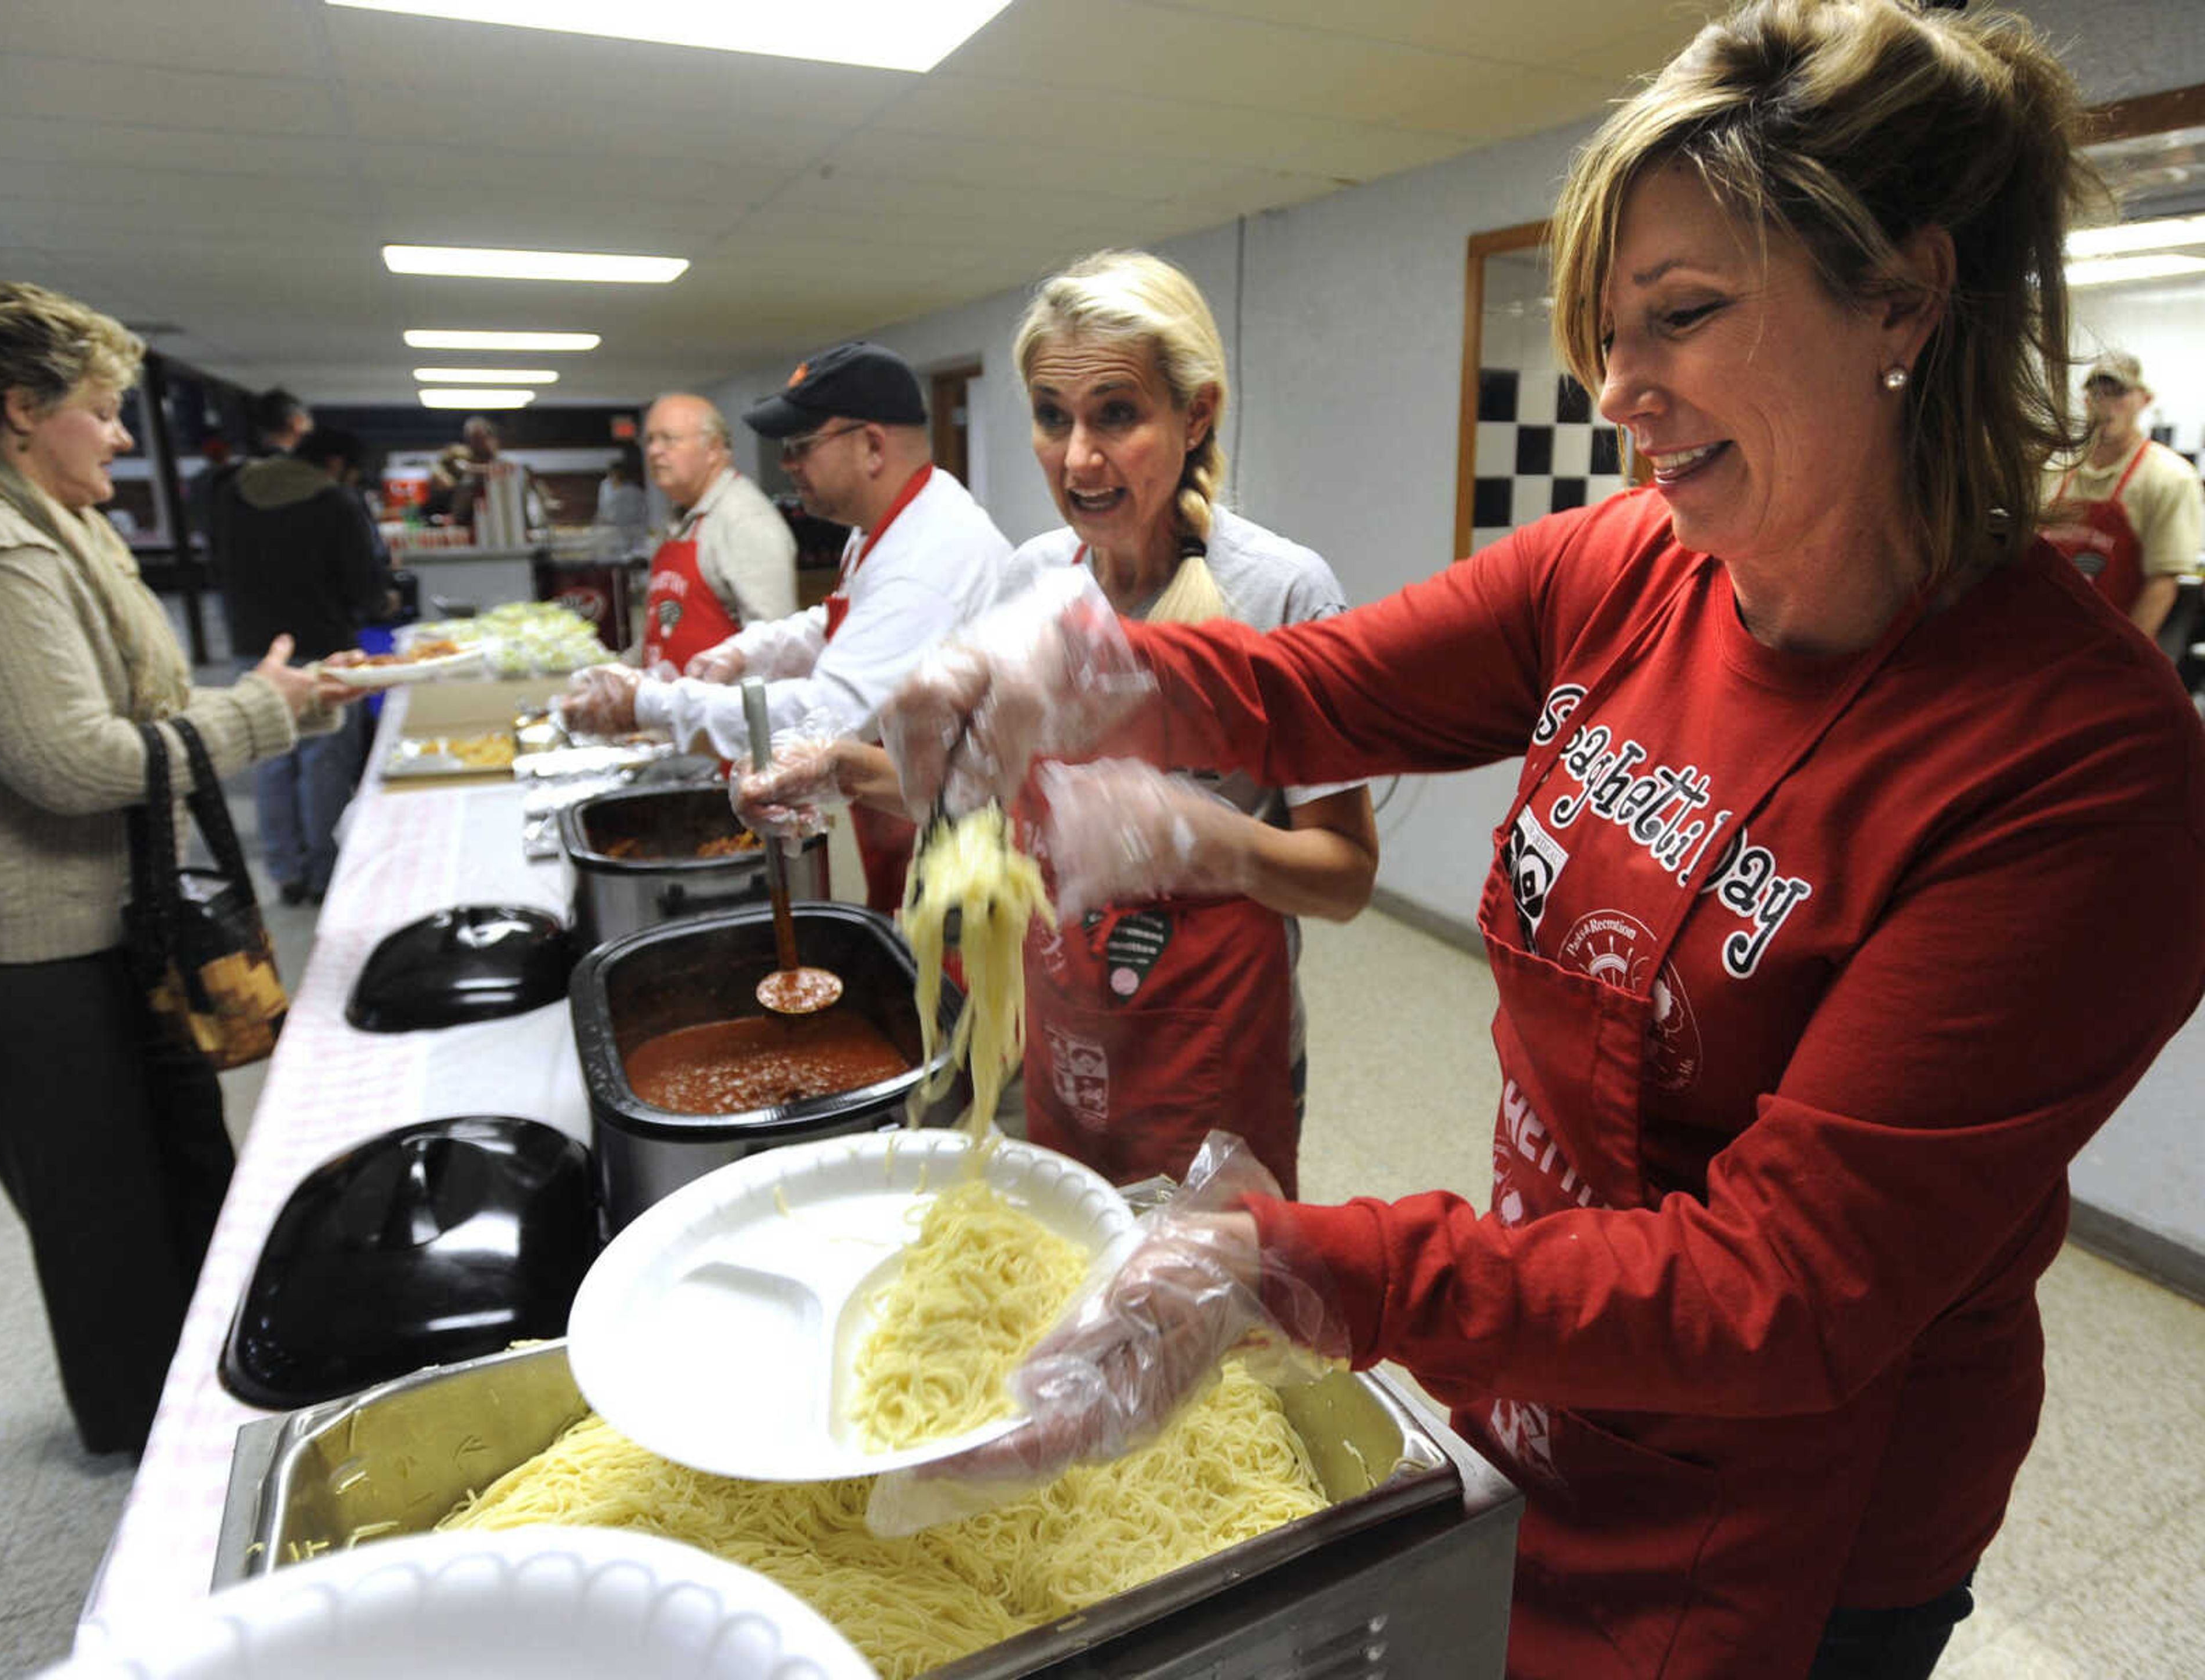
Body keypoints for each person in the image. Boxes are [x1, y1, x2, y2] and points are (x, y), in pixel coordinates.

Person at [876, 4, 2205, 1675]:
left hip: (1804, 1497)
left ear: (1905, 297)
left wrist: (1291, 1267)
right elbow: (1316, 687)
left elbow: (1786, 1288)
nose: (1618, 387)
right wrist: (1075, 670)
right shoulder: (1629, 565)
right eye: (1604, 326)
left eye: (1684, 317)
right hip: (1541, 1351)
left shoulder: (2075, 761)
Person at [734, 253, 1378, 1194]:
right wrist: (838, 770)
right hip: (1065, 1031)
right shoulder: (1034, 577)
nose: (1078, 458)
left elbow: (1347, 875)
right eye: (1051, 416)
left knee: (1211, 1323)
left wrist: (1203, 840)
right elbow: (973, 804)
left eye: (1117, 414)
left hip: (1219, 1049)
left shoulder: (1281, 591)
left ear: (1195, 414)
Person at [0, 280, 359, 1457]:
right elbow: (67, 759)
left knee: (186, 1158)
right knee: (101, 1204)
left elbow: (152, 702)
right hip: (38, 946)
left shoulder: (67, 523)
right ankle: (146, 1431)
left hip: (128, 915)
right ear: (22, 408)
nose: (127, 438)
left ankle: (205, 1388)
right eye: (104, 410)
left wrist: (282, 702)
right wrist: (254, 718)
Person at [561, 341, 1009, 913]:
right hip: (907, 811)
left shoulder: (931, 557)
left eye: (802, 446)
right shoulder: (883, 525)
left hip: (963, 843)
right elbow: (836, 619)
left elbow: (826, 716)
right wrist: (751, 649)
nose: (788, 463)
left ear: (873, 445)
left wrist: (647, 704)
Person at [213, 424, 394, 904]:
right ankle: (325, 874)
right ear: (336, 463)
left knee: (272, 757)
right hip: (323, 643)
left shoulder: (234, 494)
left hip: (257, 646)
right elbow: (364, 584)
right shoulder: (334, 501)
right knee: (325, 762)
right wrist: (382, 603)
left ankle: (285, 872)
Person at [2040, 351, 2203, 639]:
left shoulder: (2169, 478)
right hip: (2046, 638)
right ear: (2087, 401)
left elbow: (2162, 584)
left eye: (2119, 394)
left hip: (2112, 647)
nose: (2107, 406)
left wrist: (2124, 659)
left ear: (2145, 400)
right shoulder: (2054, 471)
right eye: (2099, 394)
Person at [638, 392, 797, 673]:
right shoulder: (683, 515)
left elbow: (775, 651)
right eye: (650, 440)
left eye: (668, 439)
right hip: (673, 708)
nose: (654, 451)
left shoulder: (746, 521)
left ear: (712, 449)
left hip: (720, 712)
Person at [595, 440, 648, 539]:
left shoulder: (633, 490)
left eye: (618, 474)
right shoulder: (605, 486)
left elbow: (643, 509)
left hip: (630, 529)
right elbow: (602, 507)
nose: (615, 477)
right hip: (609, 528)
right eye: (613, 474)